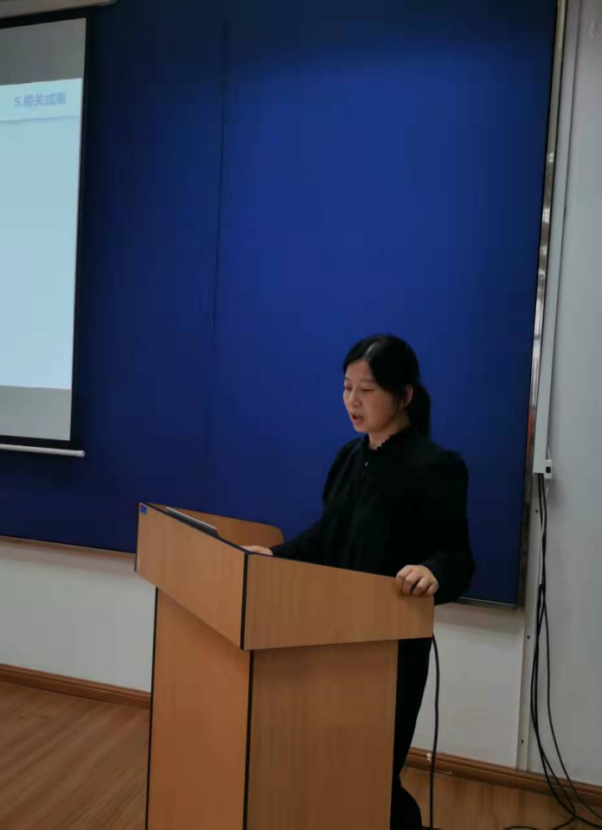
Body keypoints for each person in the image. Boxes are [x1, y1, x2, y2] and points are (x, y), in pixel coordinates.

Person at [245, 334, 476, 831]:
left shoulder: (436, 466)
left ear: (404, 395)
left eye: (366, 390)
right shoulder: (349, 458)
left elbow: (458, 557)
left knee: (372, 771)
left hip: (391, 646)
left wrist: (433, 571)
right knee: (331, 762)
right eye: (347, 387)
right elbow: (327, 535)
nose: (353, 400)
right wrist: (275, 555)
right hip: (331, 634)